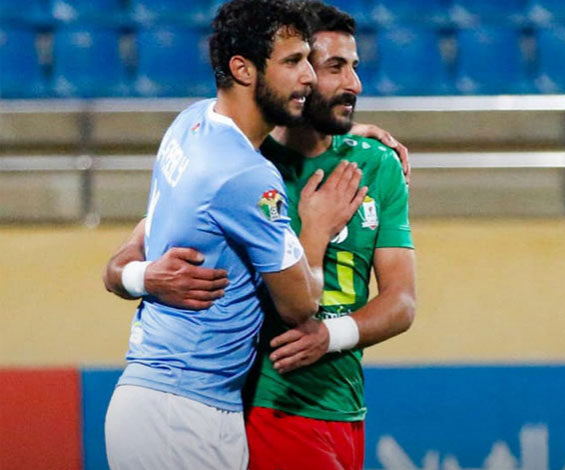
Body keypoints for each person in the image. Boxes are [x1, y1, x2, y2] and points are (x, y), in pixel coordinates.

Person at [104, 2, 416, 469]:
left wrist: (140, 276)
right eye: (299, 63)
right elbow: (300, 304)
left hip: (184, 397)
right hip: (203, 406)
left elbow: (130, 251)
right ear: (245, 69)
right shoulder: (249, 174)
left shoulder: (192, 122)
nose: (309, 77)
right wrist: (316, 228)